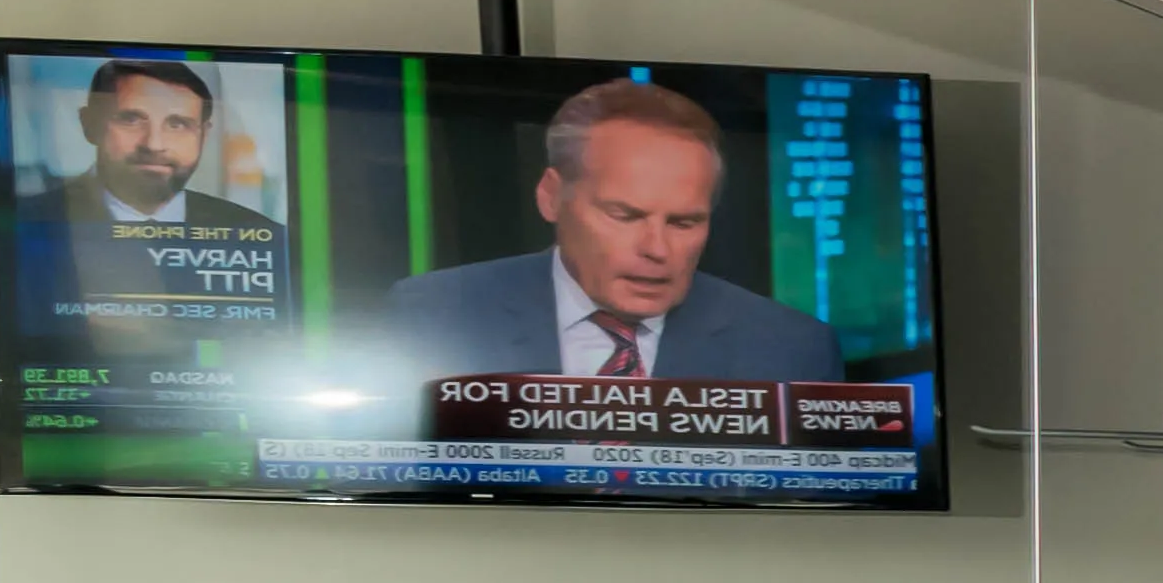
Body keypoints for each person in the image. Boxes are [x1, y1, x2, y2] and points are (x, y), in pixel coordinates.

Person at [355, 73, 848, 385]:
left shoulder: (791, 349)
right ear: (551, 196)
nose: (657, 250)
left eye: (684, 222)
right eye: (624, 215)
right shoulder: (433, 313)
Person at [6, 52, 286, 347]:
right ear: (89, 124)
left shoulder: (268, 239)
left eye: (177, 125)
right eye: (131, 120)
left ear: (204, 135)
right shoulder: (22, 227)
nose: (154, 144)